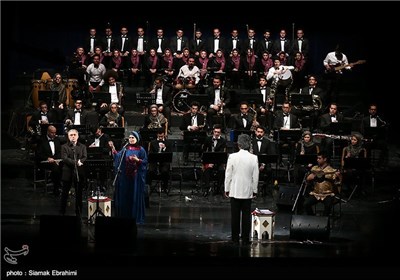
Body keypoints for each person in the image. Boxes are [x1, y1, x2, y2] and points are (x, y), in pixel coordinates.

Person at [224, 134, 259, 246]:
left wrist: (226, 188)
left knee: (235, 216)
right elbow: (256, 176)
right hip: (247, 191)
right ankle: (245, 239)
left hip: (234, 191)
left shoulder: (232, 156)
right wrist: (255, 190)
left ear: (238, 145)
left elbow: (228, 174)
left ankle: (234, 239)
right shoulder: (254, 158)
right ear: (249, 144)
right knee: (246, 216)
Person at [109, 131, 148, 224]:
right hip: (125, 177)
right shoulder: (125, 148)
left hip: (136, 177)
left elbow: (145, 162)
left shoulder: (141, 150)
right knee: (126, 196)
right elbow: (118, 157)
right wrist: (113, 149)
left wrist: (137, 160)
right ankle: (125, 217)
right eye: (130, 138)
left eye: (133, 138)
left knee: (134, 196)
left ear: (137, 139)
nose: (131, 139)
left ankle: (135, 217)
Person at [303, 151, 341, 216]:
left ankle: (324, 221)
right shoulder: (314, 168)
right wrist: (308, 178)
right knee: (306, 204)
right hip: (316, 193)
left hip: (327, 194)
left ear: (325, 159)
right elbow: (308, 180)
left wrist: (338, 177)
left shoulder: (331, 170)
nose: (317, 160)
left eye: (319, 158)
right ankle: (312, 217)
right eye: (317, 158)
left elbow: (337, 183)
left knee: (328, 205)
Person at [60, 129, 87, 216]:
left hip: (79, 172)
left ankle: (78, 212)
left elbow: (84, 156)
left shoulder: (82, 146)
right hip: (68, 171)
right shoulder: (64, 146)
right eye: (71, 135)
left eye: (74, 135)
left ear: (78, 136)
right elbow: (65, 158)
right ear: (68, 136)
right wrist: (76, 162)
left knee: (79, 193)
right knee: (65, 192)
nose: (73, 136)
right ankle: (62, 211)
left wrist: (80, 161)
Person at [35, 125, 62, 196]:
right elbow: (38, 154)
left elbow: (59, 152)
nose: (54, 134)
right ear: (48, 132)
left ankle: (62, 185)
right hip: (45, 161)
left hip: (56, 161)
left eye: (55, 133)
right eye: (52, 133)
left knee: (65, 165)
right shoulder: (42, 140)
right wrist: (47, 158)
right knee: (55, 168)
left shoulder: (57, 139)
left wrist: (57, 159)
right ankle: (56, 188)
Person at [201, 124, 227, 196]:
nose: (216, 133)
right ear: (213, 131)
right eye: (215, 132)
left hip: (218, 162)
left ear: (220, 133)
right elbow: (204, 151)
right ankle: (207, 188)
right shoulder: (208, 139)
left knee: (222, 170)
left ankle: (219, 188)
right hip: (209, 161)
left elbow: (222, 154)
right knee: (207, 170)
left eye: (218, 132)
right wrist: (208, 163)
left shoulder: (223, 141)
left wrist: (215, 163)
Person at [147, 129, 172, 194]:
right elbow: (151, 154)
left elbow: (169, 154)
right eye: (159, 136)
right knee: (150, 170)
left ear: (164, 134)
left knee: (165, 171)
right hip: (154, 161)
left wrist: (164, 148)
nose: (160, 137)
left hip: (164, 161)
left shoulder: (168, 143)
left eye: (162, 136)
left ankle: (165, 187)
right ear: (157, 135)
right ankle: (149, 186)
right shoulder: (153, 142)